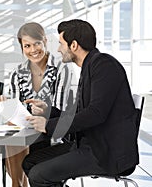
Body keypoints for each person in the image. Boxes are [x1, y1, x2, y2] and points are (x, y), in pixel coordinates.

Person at [22, 19, 139, 187]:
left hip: (105, 152)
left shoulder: (103, 65)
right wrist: (49, 111)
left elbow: (95, 113)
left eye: (61, 44)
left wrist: (48, 126)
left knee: (38, 175)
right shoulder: (90, 67)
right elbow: (77, 114)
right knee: (30, 162)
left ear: (74, 45)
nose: (58, 49)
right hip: (88, 144)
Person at [0, 22, 73, 187]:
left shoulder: (61, 69)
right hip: (26, 130)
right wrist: (5, 106)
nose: (33, 50)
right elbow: (16, 109)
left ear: (45, 41)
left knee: (23, 139)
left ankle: (20, 183)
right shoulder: (17, 73)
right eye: (27, 46)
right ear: (22, 47)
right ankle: (18, 183)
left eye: (37, 44)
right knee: (12, 132)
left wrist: (44, 111)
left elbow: (61, 109)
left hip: (53, 128)